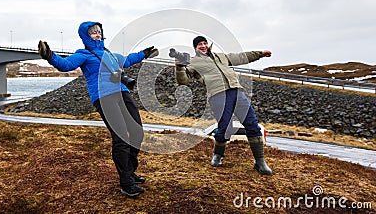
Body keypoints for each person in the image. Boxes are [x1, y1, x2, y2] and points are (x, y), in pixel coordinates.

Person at [38, 21, 158, 197]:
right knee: (121, 137)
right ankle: (126, 182)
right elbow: (65, 65)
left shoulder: (109, 54)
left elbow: (128, 60)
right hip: (104, 97)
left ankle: (130, 171)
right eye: (93, 32)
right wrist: (49, 55)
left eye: (99, 31)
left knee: (137, 132)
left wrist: (145, 54)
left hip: (122, 93)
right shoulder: (84, 54)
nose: (97, 34)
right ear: (86, 36)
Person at [174, 35, 272, 175]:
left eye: (204, 43)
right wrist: (178, 67)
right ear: (195, 48)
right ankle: (218, 155)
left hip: (237, 92)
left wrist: (260, 54)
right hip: (217, 95)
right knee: (225, 127)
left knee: (251, 123)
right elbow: (183, 81)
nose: (203, 45)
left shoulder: (222, 57)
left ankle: (260, 162)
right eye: (199, 44)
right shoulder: (194, 62)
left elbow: (241, 57)